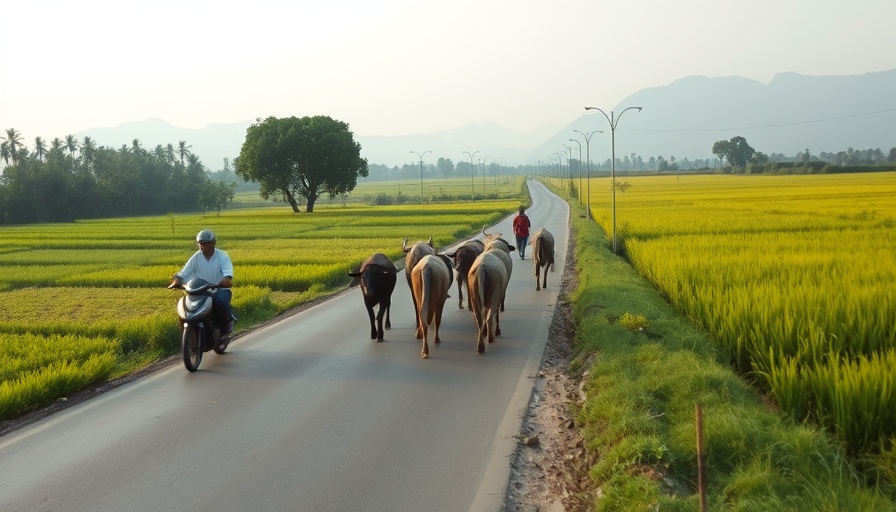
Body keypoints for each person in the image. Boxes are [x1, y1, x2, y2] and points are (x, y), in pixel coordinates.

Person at [169, 229, 235, 336]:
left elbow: (228, 273)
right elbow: (185, 272)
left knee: (221, 302)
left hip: (219, 289)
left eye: (205, 244)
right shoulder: (196, 257)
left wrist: (225, 279)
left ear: (213, 243)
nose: (202, 247)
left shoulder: (222, 256)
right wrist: (177, 281)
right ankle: (189, 334)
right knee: (185, 307)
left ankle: (225, 325)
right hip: (200, 291)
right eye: (200, 244)